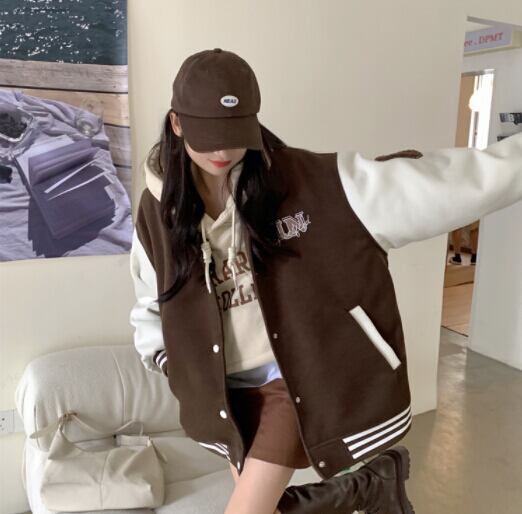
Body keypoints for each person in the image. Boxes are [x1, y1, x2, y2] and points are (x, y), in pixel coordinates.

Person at [129, 48, 522, 514]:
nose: (222, 152)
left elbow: (457, 182)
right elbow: (151, 305)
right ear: (177, 124)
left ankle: (368, 488)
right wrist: (174, 363)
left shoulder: (315, 184)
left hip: (292, 381)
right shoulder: (156, 214)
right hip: (226, 394)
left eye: (234, 136)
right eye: (209, 137)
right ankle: (369, 488)